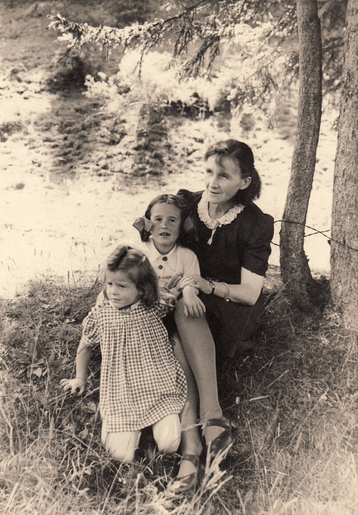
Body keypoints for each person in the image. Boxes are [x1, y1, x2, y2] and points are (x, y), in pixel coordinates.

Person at [170, 139, 274, 478]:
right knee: (176, 329)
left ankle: (201, 431)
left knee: (186, 313)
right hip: (190, 298)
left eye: (224, 176)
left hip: (232, 307)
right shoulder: (188, 206)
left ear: (244, 182)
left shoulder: (254, 223)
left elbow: (250, 292)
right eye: (209, 172)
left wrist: (208, 286)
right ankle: (201, 437)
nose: (213, 182)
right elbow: (153, 240)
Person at [133, 193, 229, 493]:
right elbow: (125, 287)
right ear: (148, 224)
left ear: (182, 225)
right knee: (174, 341)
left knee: (186, 322)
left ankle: (201, 431)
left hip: (180, 322)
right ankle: (197, 439)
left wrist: (187, 291)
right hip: (148, 325)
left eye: (172, 220)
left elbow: (191, 281)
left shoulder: (186, 256)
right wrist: (158, 293)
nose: (165, 225)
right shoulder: (138, 253)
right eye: (158, 219)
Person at [61, 244, 187, 463]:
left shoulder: (152, 306)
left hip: (157, 384)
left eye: (121, 286)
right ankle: (135, 431)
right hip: (121, 393)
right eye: (110, 284)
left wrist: (186, 285)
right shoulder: (102, 314)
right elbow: (86, 344)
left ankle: (157, 423)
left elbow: (172, 294)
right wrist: (80, 377)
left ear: (141, 289)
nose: (113, 291)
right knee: (120, 455)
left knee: (170, 444)